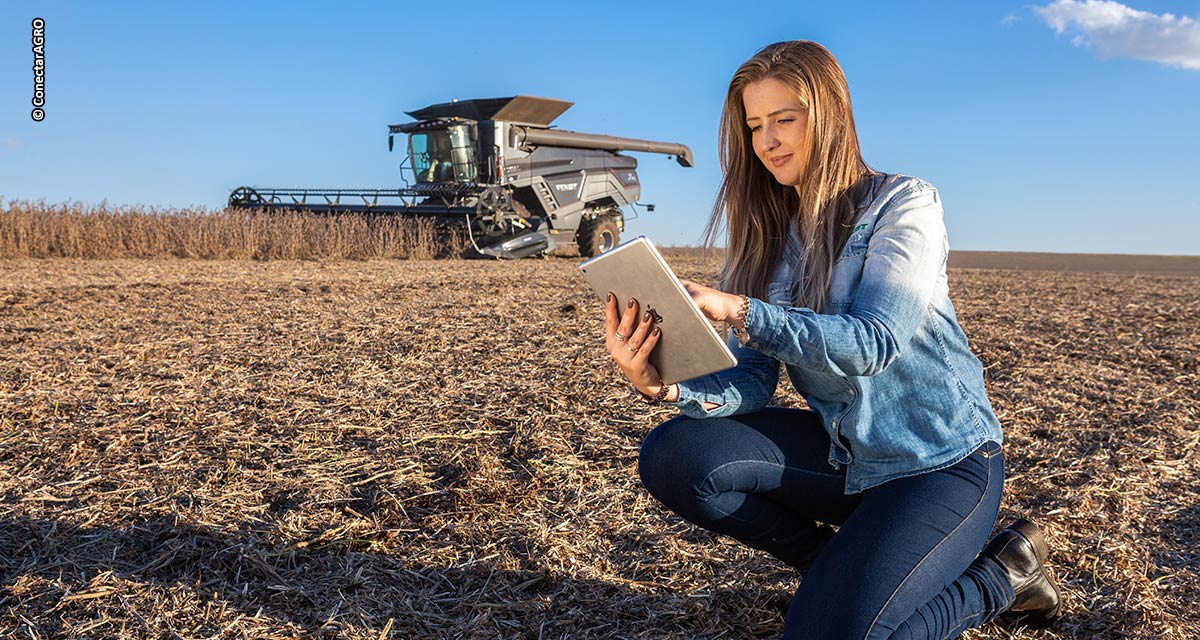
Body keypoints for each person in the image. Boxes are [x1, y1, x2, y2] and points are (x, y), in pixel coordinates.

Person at [601, 40, 1061, 639]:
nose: (767, 142)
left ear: (831, 116)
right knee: (676, 454)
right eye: (754, 125)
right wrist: (663, 385)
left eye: (784, 120)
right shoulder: (764, 236)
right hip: (846, 461)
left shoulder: (903, 205)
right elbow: (752, 380)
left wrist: (742, 310)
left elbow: (874, 342)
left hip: (939, 467)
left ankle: (1001, 579)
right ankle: (837, 577)